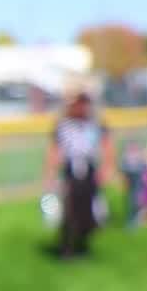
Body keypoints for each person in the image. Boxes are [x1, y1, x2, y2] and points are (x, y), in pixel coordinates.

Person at [43, 91, 116, 258]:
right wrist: (50, 174)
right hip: (71, 171)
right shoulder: (63, 125)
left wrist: (106, 168)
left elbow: (107, 146)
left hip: (89, 171)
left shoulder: (96, 124)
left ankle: (83, 245)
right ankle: (66, 247)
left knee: (89, 210)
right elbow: (54, 151)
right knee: (68, 210)